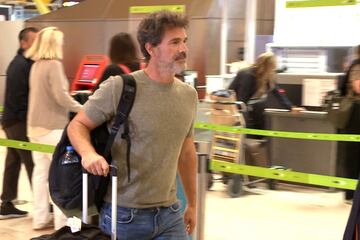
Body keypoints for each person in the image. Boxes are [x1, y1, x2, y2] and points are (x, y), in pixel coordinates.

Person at [67, 10, 197, 239]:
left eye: (184, 41)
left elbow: (187, 153)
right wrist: (88, 154)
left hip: (171, 212)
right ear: (150, 48)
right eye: (174, 42)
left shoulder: (188, 95)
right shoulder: (120, 87)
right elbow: (77, 126)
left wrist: (193, 204)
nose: (183, 49)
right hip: (124, 214)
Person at [25, 26, 82, 230]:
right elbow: (60, 97)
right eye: (61, 41)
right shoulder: (54, 66)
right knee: (62, 177)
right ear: (53, 43)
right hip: (52, 129)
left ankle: (39, 219)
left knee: (40, 174)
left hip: (34, 127)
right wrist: (83, 108)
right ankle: (63, 224)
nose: (62, 45)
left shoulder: (36, 65)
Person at [0, 27, 38, 220]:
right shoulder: (21, 65)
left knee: (13, 161)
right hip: (18, 122)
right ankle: (42, 206)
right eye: (34, 40)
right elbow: (20, 98)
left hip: (11, 120)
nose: (38, 44)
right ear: (23, 43)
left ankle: (6, 203)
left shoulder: (22, 63)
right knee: (32, 162)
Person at [228, 52, 293, 109]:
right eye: (272, 67)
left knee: (260, 106)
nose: (273, 70)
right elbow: (242, 96)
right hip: (232, 102)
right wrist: (242, 111)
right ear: (266, 66)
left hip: (244, 103)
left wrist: (290, 107)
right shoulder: (248, 74)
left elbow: (278, 92)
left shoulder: (266, 75)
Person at [342, 45, 360, 202]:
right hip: (355, 113)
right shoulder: (357, 66)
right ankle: (350, 193)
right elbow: (358, 87)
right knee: (353, 153)